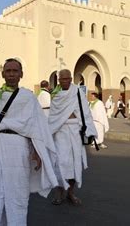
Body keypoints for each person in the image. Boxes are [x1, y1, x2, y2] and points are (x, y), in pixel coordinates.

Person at [0, 58, 57, 226]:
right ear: (3, 74)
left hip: (19, 149)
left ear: (21, 74)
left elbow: (37, 127)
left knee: (17, 195)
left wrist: (37, 152)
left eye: (15, 71)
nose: (11, 74)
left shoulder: (28, 97)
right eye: (8, 71)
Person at [48, 69, 97, 206]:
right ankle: (59, 192)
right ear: (59, 80)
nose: (66, 81)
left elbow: (85, 112)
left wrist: (90, 130)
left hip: (75, 131)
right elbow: (52, 115)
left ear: (71, 79)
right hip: (60, 132)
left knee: (75, 164)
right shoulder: (56, 95)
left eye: (68, 78)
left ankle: (70, 192)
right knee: (59, 163)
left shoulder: (77, 92)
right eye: (62, 79)